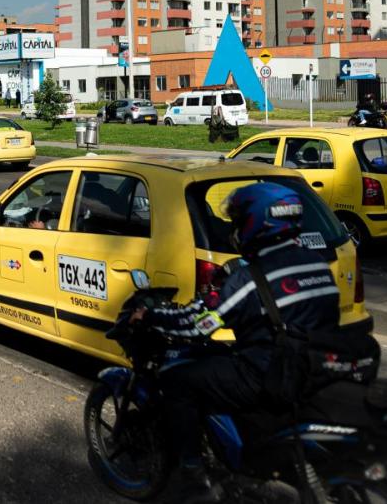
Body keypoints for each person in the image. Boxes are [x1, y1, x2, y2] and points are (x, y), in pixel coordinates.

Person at [134, 181, 340, 502]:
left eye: (239, 221)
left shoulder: (250, 279)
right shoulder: (318, 266)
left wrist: (152, 317)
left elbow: (199, 325)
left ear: (258, 224)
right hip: (314, 366)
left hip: (267, 373)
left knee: (177, 380)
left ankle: (192, 473)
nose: (235, 228)